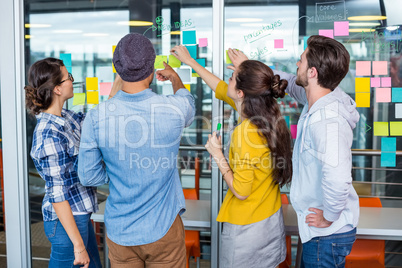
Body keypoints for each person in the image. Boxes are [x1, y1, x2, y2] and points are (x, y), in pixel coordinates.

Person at [229, 35, 360, 268]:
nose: (296, 65)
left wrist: (328, 216)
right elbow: (288, 81)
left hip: (326, 235)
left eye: (301, 61)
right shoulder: (320, 99)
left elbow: (338, 178)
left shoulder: (327, 120)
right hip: (319, 233)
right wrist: (251, 66)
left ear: (312, 73)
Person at [77, 33, 195, 267]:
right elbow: (188, 101)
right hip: (164, 229)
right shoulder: (174, 109)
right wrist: (175, 78)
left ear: (117, 69)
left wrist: (117, 170)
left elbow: (87, 175)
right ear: (151, 68)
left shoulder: (96, 117)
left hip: (120, 232)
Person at [171, 45, 293, 267]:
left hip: (248, 231)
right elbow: (219, 87)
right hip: (269, 220)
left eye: (233, 77)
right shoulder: (265, 113)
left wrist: (217, 155)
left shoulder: (245, 132)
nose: (228, 78)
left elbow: (241, 191)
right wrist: (191, 62)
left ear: (241, 93)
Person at [25, 57, 117, 267]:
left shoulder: (66, 118)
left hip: (79, 218)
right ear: (57, 89)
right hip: (66, 224)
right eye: (69, 78)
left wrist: (122, 76)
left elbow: (99, 119)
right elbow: (57, 195)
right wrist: (78, 245)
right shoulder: (48, 133)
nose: (72, 82)